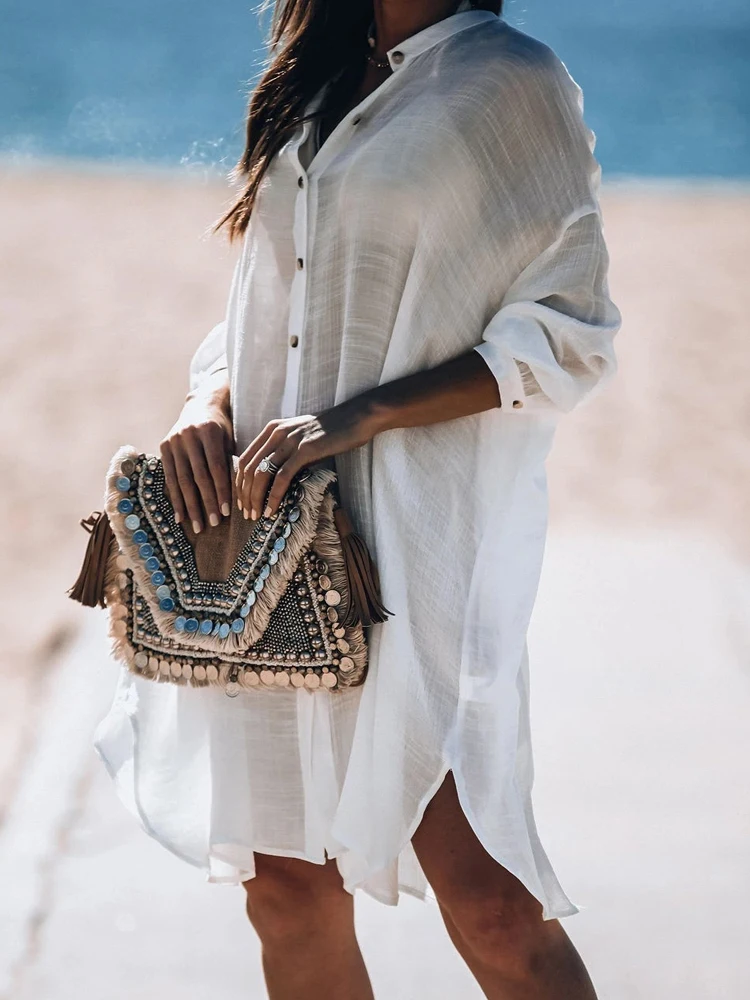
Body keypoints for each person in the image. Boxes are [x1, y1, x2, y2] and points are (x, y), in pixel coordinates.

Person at [94, 1, 621, 996]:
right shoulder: (315, 72)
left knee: (493, 903)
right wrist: (206, 403)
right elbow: (271, 298)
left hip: (412, 548)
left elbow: (570, 333)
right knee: (288, 892)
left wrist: (358, 417)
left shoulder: (511, 81)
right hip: (267, 549)